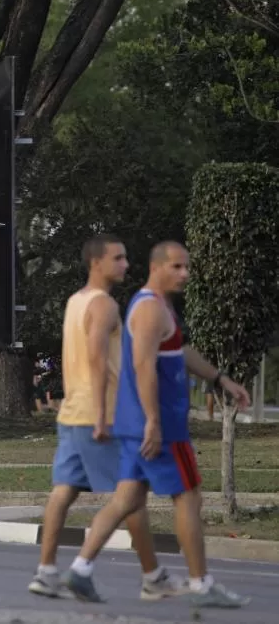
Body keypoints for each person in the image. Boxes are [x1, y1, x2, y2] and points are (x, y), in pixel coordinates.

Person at [61, 241, 251, 608]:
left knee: (126, 499)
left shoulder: (159, 306)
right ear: (158, 267)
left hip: (141, 424)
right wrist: (153, 421)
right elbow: (143, 366)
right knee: (189, 496)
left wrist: (220, 379)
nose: (185, 274)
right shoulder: (149, 308)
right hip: (160, 425)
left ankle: (80, 569)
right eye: (177, 267)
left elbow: (180, 351)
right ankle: (201, 583)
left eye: (187, 267)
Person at [28, 235, 186, 601]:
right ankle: (152, 576)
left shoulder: (75, 301)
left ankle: (47, 572)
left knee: (64, 491)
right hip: (100, 414)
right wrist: (102, 416)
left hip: (72, 411)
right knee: (130, 497)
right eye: (118, 258)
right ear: (96, 263)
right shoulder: (105, 306)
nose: (126, 265)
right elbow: (98, 358)